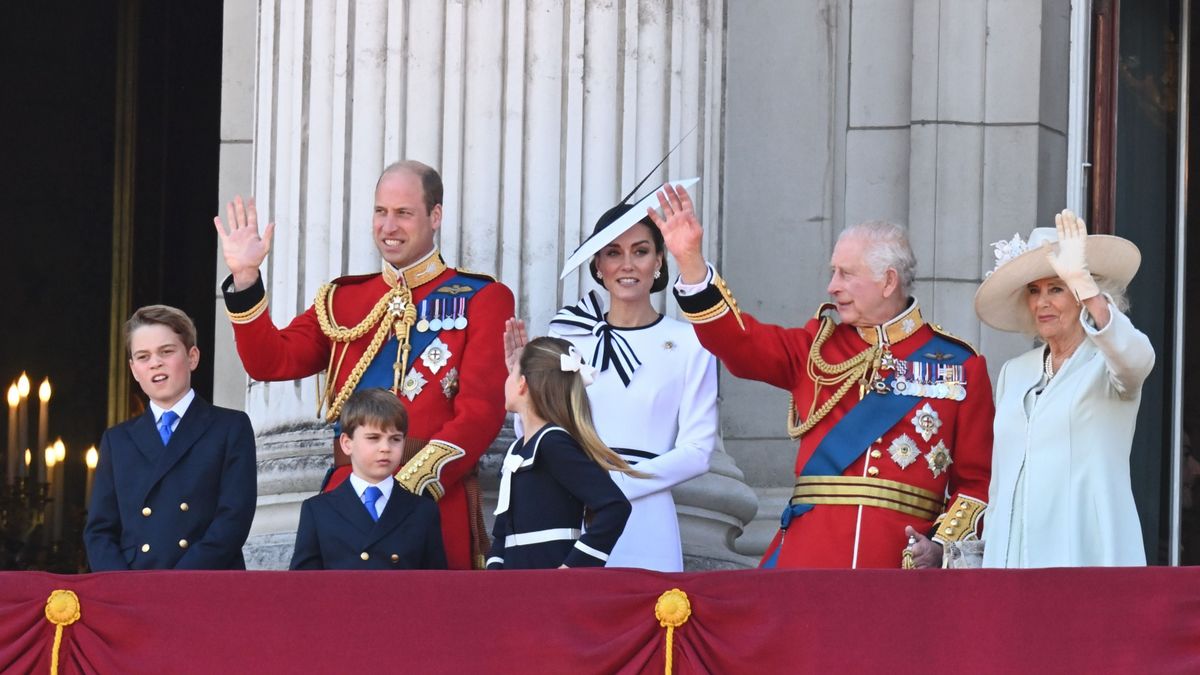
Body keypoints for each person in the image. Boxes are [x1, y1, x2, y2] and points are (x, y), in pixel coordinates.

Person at [656, 184, 994, 569]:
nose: (832, 285)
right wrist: (690, 263)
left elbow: (976, 483)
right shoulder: (815, 347)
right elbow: (737, 343)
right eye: (833, 272)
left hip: (900, 567)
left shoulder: (960, 365)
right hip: (809, 558)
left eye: (846, 274)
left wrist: (940, 548)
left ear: (888, 281)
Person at [214, 160, 514, 570]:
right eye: (380, 212)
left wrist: (410, 483)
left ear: (435, 216)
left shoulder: (483, 298)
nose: (388, 226)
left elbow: (481, 412)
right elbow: (271, 362)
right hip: (348, 505)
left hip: (432, 499)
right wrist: (246, 279)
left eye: (403, 213)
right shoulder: (343, 300)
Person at [504, 183, 717, 572]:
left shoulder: (691, 342)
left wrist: (612, 489)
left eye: (640, 251)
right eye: (613, 253)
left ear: (658, 263)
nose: (627, 264)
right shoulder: (566, 335)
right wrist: (524, 386)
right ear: (598, 266)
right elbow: (534, 436)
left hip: (647, 517)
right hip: (571, 516)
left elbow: (698, 452)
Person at [975, 210, 1154, 567]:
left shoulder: (1108, 363)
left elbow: (1139, 358)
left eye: (1056, 288)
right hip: (1011, 558)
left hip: (1084, 552)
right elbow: (1000, 481)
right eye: (1034, 291)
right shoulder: (1015, 373)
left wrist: (1084, 285)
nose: (1042, 302)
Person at [84, 305, 257, 571]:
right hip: (134, 591)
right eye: (143, 356)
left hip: (205, 584)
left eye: (166, 351)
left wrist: (177, 583)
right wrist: (120, 587)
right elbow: (100, 531)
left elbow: (233, 519)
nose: (155, 362)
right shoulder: (117, 440)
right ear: (133, 369)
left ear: (192, 357)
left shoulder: (230, 427)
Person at [486, 337, 633, 569]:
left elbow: (615, 507)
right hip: (516, 588)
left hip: (552, 588)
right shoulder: (517, 449)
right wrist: (494, 576)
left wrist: (571, 571)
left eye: (511, 372)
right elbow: (503, 531)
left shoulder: (553, 443)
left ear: (522, 384)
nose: (506, 380)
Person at [290, 388, 446, 570]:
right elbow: (303, 586)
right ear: (347, 444)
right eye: (373, 438)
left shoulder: (422, 511)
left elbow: (435, 587)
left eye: (395, 439)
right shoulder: (318, 510)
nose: (385, 448)